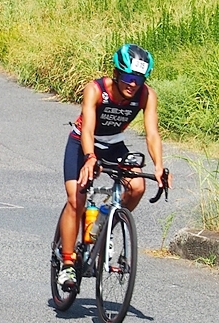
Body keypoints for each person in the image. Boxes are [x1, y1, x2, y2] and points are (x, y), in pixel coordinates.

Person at [57, 43, 172, 289]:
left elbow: (152, 134)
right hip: (82, 143)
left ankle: (104, 226)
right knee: (76, 199)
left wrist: (159, 166)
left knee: (137, 187)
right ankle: (67, 264)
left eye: (139, 80)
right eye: (129, 78)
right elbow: (88, 129)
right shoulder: (96, 90)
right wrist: (90, 157)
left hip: (114, 144)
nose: (133, 85)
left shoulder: (146, 95)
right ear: (117, 73)